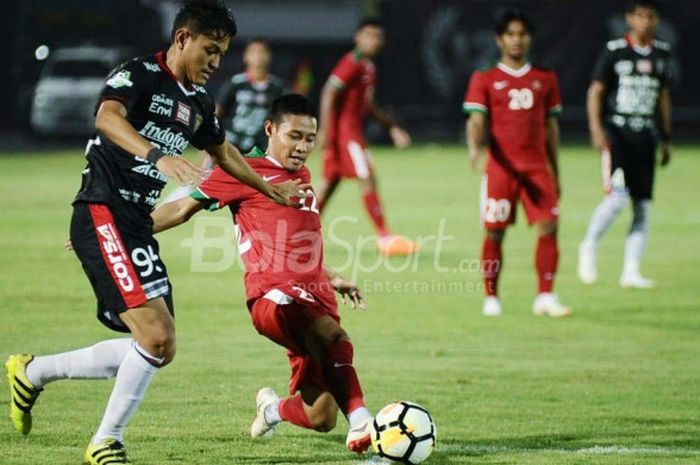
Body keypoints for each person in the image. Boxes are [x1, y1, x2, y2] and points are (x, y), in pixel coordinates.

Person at [4, 2, 304, 464]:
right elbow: (106, 118)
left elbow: (225, 154)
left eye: (222, 54)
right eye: (209, 49)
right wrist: (156, 156)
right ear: (182, 38)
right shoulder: (139, 74)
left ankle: (34, 372)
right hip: (103, 209)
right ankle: (106, 441)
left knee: (156, 346)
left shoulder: (200, 103)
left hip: (136, 224)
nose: (215, 62)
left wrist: (268, 188)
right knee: (156, 338)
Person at [152, 94, 375, 454]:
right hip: (273, 297)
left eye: (309, 138)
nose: (303, 147)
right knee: (336, 340)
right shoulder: (243, 171)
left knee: (321, 417)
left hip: (315, 296)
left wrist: (330, 275)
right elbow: (180, 209)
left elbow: (297, 242)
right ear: (270, 129)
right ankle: (365, 423)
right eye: (294, 136)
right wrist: (119, 228)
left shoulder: (301, 175)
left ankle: (271, 409)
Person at [463, 9, 571, 317]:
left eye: (522, 34)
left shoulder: (545, 78)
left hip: (537, 167)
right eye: (510, 34)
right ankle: (491, 296)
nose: (516, 40)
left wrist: (556, 170)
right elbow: (476, 118)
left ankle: (545, 296)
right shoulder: (485, 78)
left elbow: (551, 127)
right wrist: (474, 147)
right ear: (499, 40)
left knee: (549, 226)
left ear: (530, 38)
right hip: (501, 168)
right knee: (495, 231)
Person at [578, 0, 673, 288]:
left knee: (642, 205)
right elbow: (596, 90)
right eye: (640, 15)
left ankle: (631, 270)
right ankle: (589, 246)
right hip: (618, 135)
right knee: (617, 198)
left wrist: (666, 136)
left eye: (650, 16)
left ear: (656, 20)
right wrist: (596, 128)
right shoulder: (615, 50)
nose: (645, 21)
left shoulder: (662, 53)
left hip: (646, 136)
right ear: (629, 18)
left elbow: (663, 96)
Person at [316, 19, 418, 257]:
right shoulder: (352, 62)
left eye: (378, 36)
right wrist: (324, 131)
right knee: (367, 176)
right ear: (357, 38)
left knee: (328, 186)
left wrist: (392, 128)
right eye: (369, 35)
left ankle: (297, 233)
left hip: (348, 134)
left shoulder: (369, 66)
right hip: (345, 135)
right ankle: (384, 237)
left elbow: (368, 104)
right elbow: (329, 92)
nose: (374, 40)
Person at [217, 37, 287, 153]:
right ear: (246, 57)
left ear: (269, 56)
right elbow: (218, 112)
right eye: (254, 52)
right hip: (232, 142)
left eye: (262, 52)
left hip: (259, 147)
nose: (259, 57)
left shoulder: (278, 87)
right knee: (210, 166)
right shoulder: (236, 83)